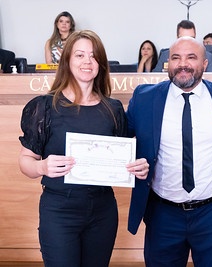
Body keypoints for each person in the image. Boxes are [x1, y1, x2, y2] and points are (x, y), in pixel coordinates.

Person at [18, 30, 149, 267]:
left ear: (100, 63)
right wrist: (41, 166)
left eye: (93, 56)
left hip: (102, 211)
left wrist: (137, 167)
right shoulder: (45, 106)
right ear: (67, 60)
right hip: (59, 211)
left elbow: (124, 158)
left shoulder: (114, 109)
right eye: (79, 55)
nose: (87, 61)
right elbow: (25, 161)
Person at [126, 36, 212, 266]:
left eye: (191, 57)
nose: (183, 64)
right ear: (168, 63)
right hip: (163, 214)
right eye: (176, 58)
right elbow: (119, 139)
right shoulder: (144, 98)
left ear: (204, 64)